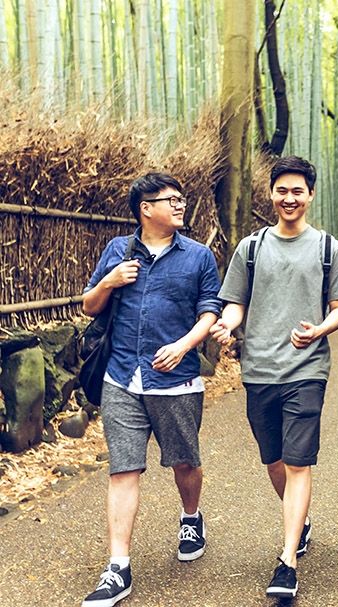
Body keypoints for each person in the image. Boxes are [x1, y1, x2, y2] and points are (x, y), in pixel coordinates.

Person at [210, 155, 338, 599]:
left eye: (298, 191)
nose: (289, 198)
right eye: (282, 190)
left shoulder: (329, 248)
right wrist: (228, 323)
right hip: (259, 370)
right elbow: (235, 301)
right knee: (273, 459)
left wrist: (319, 330)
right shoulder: (250, 248)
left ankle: (287, 560)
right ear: (271, 194)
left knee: (297, 462)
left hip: (307, 370)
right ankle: (302, 521)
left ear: (310, 195)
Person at [81, 173, 222, 607]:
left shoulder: (198, 257)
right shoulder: (117, 252)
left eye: (182, 198)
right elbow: (88, 305)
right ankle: (118, 567)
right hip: (121, 377)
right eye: (171, 200)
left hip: (175, 381)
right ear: (146, 209)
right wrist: (109, 282)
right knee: (124, 469)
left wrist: (183, 347)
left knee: (184, 462)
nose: (180, 205)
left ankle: (191, 517)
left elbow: (209, 311)